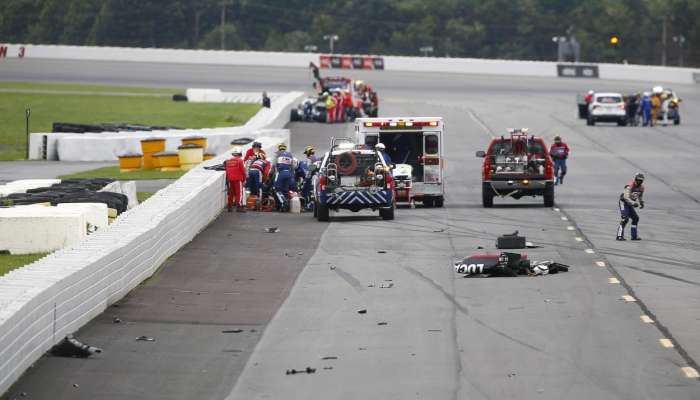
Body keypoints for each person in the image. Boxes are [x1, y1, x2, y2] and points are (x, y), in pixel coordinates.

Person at [617, 173, 645, 241]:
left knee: (635, 218)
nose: (638, 182)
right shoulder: (629, 186)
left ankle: (634, 236)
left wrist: (641, 202)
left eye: (640, 181)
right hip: (623, 203)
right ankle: (619, 236)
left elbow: (640, 196)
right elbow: (626, 197)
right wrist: (633, 203)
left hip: (630, 204)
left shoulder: (642, 187)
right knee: (625, 219)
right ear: (635, 179)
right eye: (637, 180)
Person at [273, 143, 295, 211]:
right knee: (285, 190)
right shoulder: (290, 155)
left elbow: (274, 166)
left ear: (279, 148)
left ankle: (283, 202)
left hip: (281, 173)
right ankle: (286, 206)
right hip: (288, 173)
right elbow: (293, 166)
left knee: (276, 189)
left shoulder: (278, 154)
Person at [225, 147, 247, 212]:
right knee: (239, 193)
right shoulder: (240, 161)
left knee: (231, 193)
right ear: (240, 154)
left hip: (230, 179)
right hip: (238, 179)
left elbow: (227, 171)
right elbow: (243, 171)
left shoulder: (228, 161)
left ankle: (229, 206)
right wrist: (244, 179)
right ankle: (239, 207)